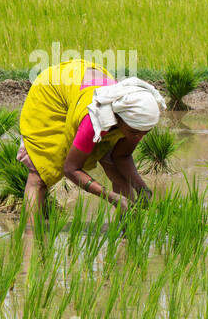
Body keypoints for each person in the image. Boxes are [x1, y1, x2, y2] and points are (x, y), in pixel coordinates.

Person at [18, 58, 166, 220]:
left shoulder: (136, 121)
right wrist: (110, 197)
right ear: (118, 118)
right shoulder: (95, 118)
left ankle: (127, 235)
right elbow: (71, 168)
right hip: (51, 90)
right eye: (134, 132)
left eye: (145, 132)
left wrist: (142, 188)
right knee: (39, 176)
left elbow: (121, 156)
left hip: (83, 82)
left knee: (116, 168)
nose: (139, 137)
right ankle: (29, 237)